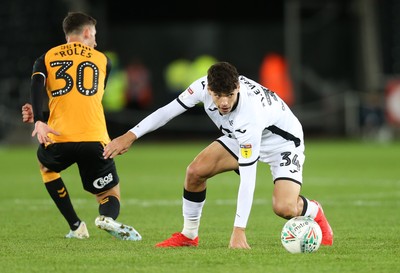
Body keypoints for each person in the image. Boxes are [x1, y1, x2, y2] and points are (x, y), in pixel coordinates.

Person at [102, 61, 334, 249]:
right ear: (208, 89)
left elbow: (248, 177)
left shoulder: (250, 113)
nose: (223, 102)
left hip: (282, 142)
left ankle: (314, 210)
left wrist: (238, 231)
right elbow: (167, 111)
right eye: (217, 95)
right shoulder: (201, 87)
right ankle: (189, 236)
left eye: (230, 95)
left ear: (238, 88)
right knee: (195, 172)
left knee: (284, 208)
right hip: (240, 136)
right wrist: (130, 135)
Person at [21, 11, 141, 241]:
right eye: (94, 35)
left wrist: (39, 118)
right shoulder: (103, 60)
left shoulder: (46, 57)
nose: (95, 41)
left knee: (46, 167)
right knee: (108, 192)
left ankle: (76, 226)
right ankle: (106, 217)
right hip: (95, 139)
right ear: (86, 32)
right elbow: (84, 100)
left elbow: (37, 84)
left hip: (58, 138)